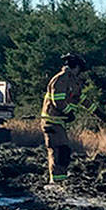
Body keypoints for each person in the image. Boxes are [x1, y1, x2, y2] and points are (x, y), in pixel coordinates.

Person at [41, 53, 87, 182]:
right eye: (80, 69)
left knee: (64, 153)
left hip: (59, 123)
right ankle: (55, 183)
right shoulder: (61, 79)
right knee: (59, 152)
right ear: (76, 67)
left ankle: (59, 182)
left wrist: (100, 114)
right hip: (51, 122)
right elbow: (58, 101)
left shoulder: (72, 81)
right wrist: (69, 113)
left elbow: (81, 99)